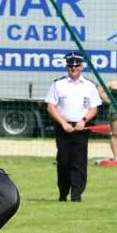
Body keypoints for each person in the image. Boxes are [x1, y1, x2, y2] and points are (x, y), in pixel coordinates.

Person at [45, 52, 100, 202]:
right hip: (63, 127)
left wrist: (83, 120)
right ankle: (63, 192)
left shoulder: (89, 86)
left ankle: (77, 194)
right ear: (66, 67)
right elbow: (51, 107)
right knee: (63, 161)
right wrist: (63, 123)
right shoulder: (58, 84)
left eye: (76, 66)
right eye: (70, 65)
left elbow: (94, 108)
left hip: (81, 128)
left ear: (82, 67)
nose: (73, 68)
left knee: (79, 162)